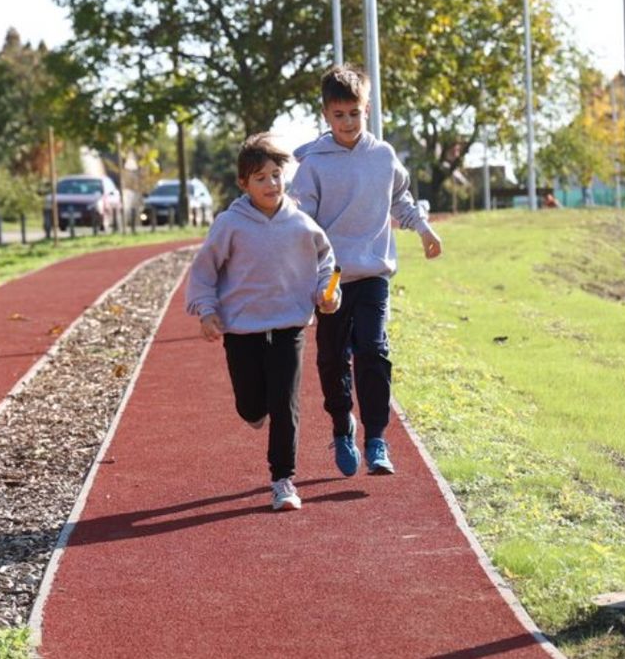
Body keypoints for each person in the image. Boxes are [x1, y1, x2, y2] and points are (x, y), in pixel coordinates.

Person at [290, 64, 443, 478]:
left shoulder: (383, 156)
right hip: (331, 276)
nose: (347, 122)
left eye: (355, 113)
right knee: (332, 358)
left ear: (367, 109)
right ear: (325, 115)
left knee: (373, 351)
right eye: (338, 115)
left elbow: (401, 200)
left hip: (373, 272)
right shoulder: (313, 163)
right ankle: (343, 426)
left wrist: (424, 230)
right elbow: (299, 217)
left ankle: (376, 437)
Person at [186, 133, 340, 511]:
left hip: (289, 326)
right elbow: (205, 271)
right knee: (251, 405)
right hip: (242, 331)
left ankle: (283, 480)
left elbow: (326, 261)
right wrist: (207, 311)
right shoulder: (229, 224)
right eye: (260, 178)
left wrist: (328, 292)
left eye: (276, 174)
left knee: (286, 403)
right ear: (244, 183)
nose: (271, 184)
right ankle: (255, 412)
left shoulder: (301, 224)